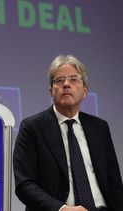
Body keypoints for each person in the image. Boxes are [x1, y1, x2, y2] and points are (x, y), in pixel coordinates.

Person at [13, 54, 123, 211]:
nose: (66, 84)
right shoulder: (32, 127)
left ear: (85, 91)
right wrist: (62, 208)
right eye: (59, 80)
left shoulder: (100, 128)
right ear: (51, 91)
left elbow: (115, 184)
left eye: (73, 79)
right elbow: (24, 184)